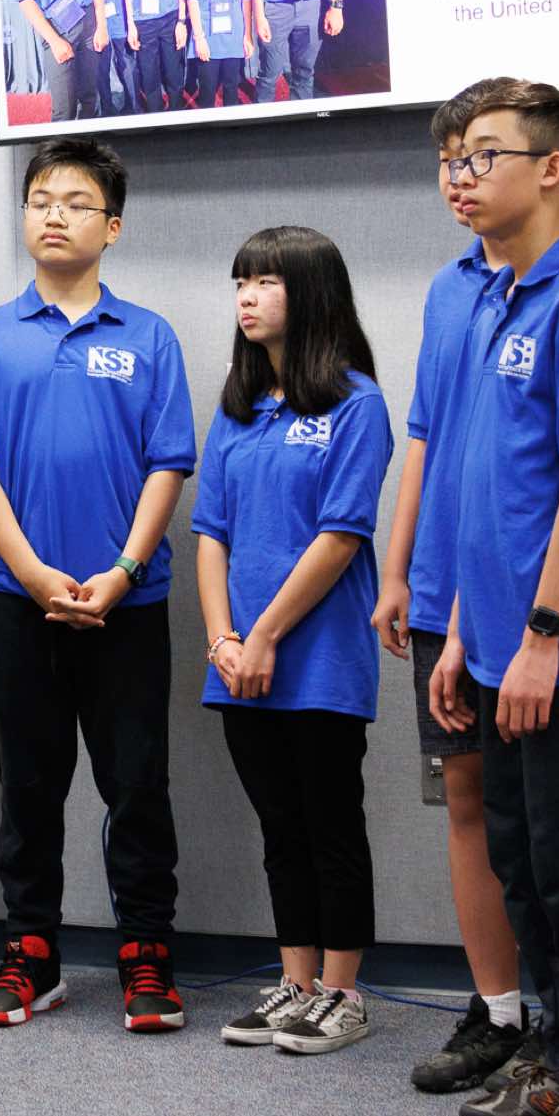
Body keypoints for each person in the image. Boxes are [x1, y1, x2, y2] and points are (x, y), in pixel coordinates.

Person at [375, 77, 559, 1099]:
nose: (461, 174)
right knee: (525, 865)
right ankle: (558, 1051)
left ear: (551, 168)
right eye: (451, 159)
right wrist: (457, 631)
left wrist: (540, 632)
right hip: (484, 633)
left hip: (551, 641)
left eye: (484, 154)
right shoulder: (488, 294)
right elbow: (472, 478)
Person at [0, 137, 196, 1033]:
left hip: (127, 605)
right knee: (25, 790)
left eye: (77, 201)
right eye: (41, 199)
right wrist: (30, 570)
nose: (54, 214)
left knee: (137, 785)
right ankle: (32, 953)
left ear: (112, 226)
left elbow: (169, 463)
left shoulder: (149, 336)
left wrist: (124, 570)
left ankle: (146, 954)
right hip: (13, 603)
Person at [194, 227, 391, 1057]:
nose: (247, 295)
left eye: (267, 281)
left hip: (320, 659)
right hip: (240, 662)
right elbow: (210, 532)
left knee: (329, 824)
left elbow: (341, 535)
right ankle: (297, 982)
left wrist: (267, 633)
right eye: (241, 280)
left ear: (311, 294)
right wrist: (224, 637)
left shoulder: (356, 403)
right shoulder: (239, 408)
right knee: (280, 826)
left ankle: (344, 993)